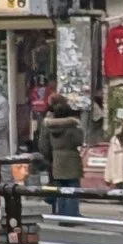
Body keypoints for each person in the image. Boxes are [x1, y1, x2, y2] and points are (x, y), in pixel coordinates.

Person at [36, 91, 87, 219]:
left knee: (60, 187)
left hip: (56, 158)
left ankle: (61, 213)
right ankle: (71, 214)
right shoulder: (72, 123)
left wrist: (48, 157)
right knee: (72, 187)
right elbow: (78, 141)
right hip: (71, 158)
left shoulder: (48, 123)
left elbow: (43, 143)